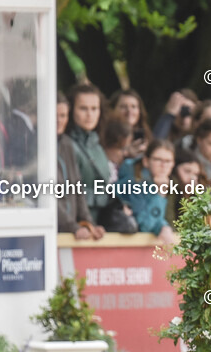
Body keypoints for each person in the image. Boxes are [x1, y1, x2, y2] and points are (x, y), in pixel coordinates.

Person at [56, 93, 104, 240]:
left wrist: (90, 224)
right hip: (54, 230)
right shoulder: (35, 145)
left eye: (63, 115)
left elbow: (77, 187)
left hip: (70, 231)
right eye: (55, 115)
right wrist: (73, 227)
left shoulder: (66, 143)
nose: (59, 121)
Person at [115, 139, 177, 244]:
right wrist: (160, 195)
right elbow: (145, 226)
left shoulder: (161, 182)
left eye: (168, 161)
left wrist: (163, 226)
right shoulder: (133, 182)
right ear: (146, 161)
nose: (163, 165)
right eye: (158, 159)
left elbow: (156, 218)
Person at [66, 84, 112, 224]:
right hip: (77, 225)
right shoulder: (66, 145)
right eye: (83, 108)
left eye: (94, 109)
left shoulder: (97, 145)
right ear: (71, 110)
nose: (90, 114)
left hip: (100, 225)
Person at [110, 89, 152, 158]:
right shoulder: (105, 136)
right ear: (113, 110)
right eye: (123, 106)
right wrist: (126, 153)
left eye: (133, 106)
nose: (129, 111)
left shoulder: (147, 135)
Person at [167, 148, 203, 223]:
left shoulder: (196, 194)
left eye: (196, 174)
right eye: (187, 171)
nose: (192, 178)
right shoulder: (168, 189)